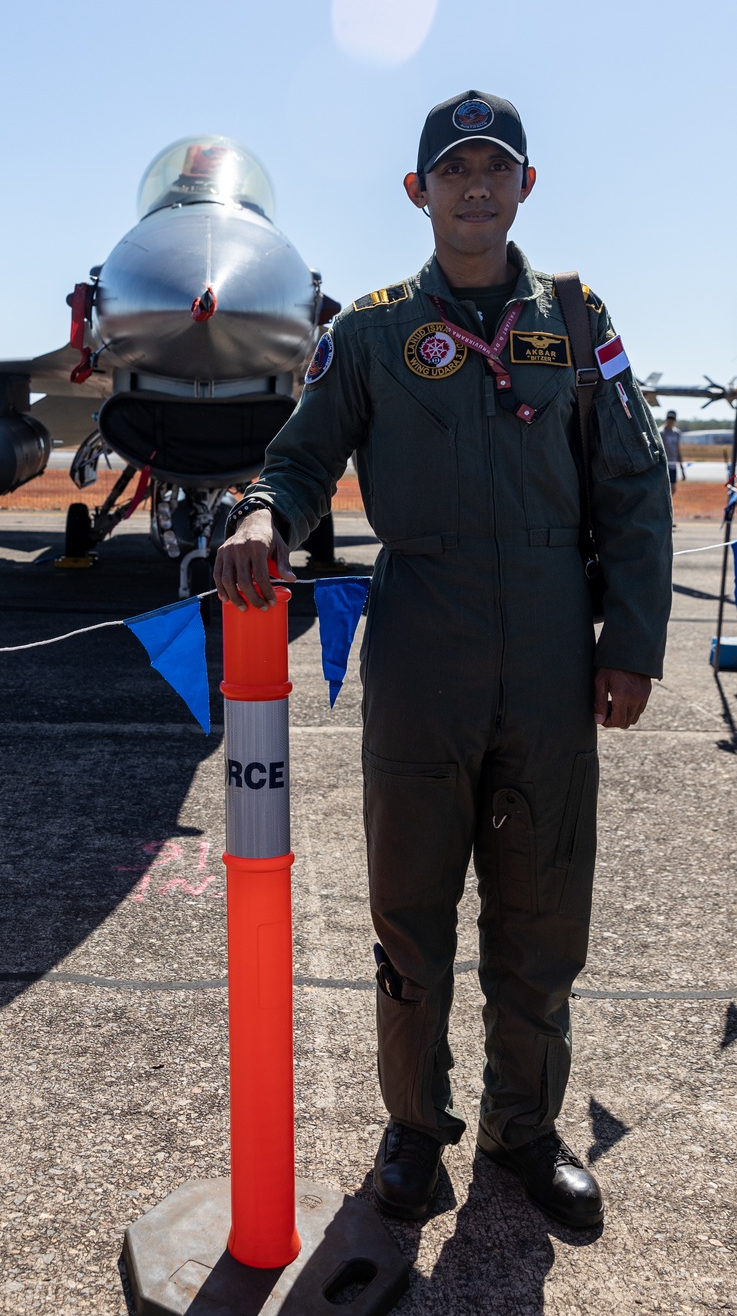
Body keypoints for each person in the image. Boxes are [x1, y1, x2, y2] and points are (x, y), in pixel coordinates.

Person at [214, 90, 673, 1230]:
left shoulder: (575, 316)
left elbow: (630, 486)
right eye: (453, 170)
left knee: (542, 910)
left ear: (525, 186)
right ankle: (415, 1127)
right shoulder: (368, 333)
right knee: (409, 908)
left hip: (554, 653)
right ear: (418, 192)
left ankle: (526, 1132)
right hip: (422, 647)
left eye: (495, 168)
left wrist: (632, 642)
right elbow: (301, 455)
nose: (475, 187)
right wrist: (265, 512)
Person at [659, 410, 684, 495]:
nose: (670, 420)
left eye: (672, 418)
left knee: (673, 488)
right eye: (669, 418)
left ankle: (668, 506)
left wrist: (682, 469)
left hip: (673, 464)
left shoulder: (677, 433)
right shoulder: (661, 432)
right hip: (663, 464)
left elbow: (678, 450)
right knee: (663, 487)